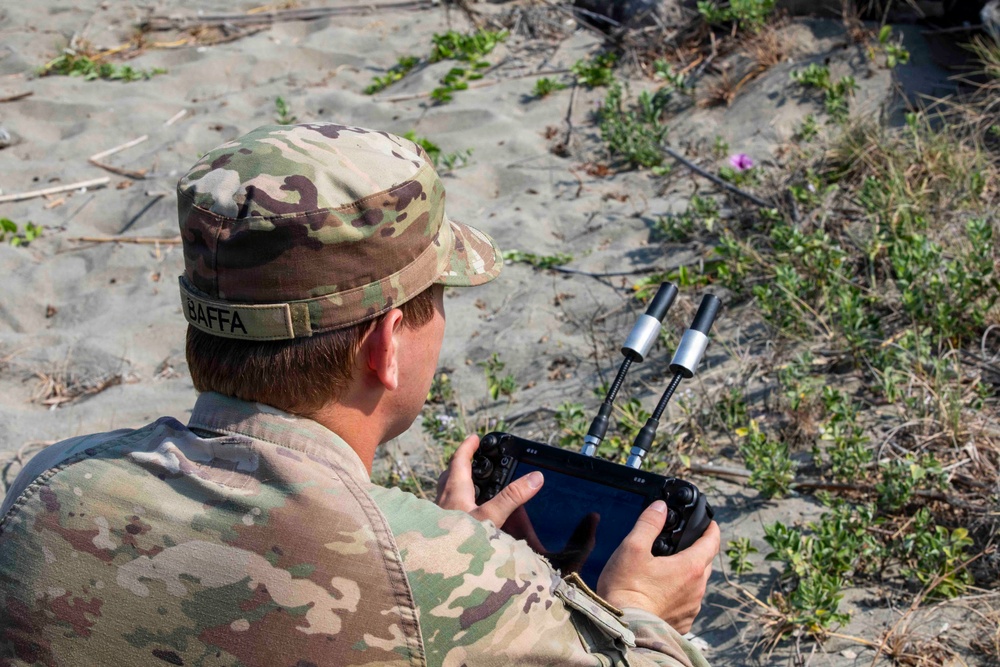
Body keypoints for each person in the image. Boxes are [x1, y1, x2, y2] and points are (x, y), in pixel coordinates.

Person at [0, 122, 719, 667]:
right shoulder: (452, 577)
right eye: (437, 300)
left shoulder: (33, 484)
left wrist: (436, 547)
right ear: (385, 345)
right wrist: (643, 613)